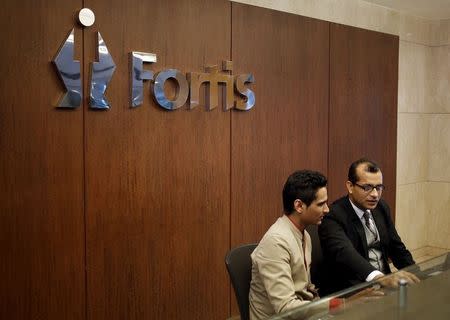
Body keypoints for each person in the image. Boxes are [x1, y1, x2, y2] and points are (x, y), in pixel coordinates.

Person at [318, 158, 419, 296]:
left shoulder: (381, 207)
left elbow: (397, 249)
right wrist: (380, 278)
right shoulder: (333, 216)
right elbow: (348, 255)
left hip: (387, 288)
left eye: (379, 187)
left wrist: (419, 276)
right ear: (350, 186)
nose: (375, 194)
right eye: (367, 187)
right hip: (355, 293)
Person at [249, 170, 329, 320]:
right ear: (299, 206)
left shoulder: (304, 234)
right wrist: (333, 304)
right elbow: (285, 308)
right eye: (321, 204)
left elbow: (304, 289)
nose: (327, 209)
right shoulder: (276, 242)